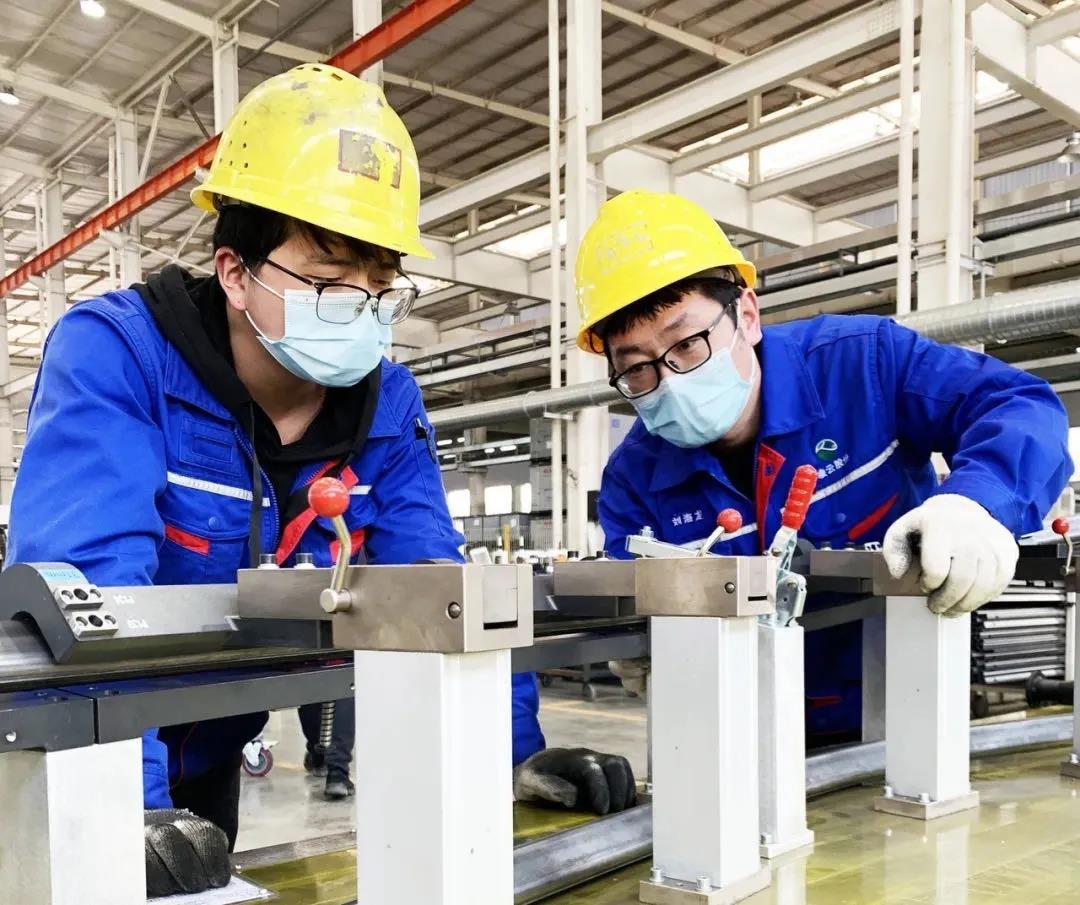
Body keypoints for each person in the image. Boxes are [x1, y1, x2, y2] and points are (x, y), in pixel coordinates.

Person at [8, 65, 633, 896]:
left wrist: (513, 752)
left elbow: (440, 596)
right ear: (236, 272)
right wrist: (124, 804)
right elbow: (87, 597)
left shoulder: (388, 406)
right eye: (330, 280)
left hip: (207, 764)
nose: (362, 308)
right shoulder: (121, 355)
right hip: (79, 766)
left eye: (380, 285)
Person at [578, 189, 1072, 742]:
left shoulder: (864, 365)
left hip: (906, 710)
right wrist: (644, 644)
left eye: (687, 344)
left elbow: (1016, 405)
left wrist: (976, 503)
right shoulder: (633, 479)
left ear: (746, 316)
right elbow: (638, 605)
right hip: (735, 733)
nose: (669, 380)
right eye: (637, 369)